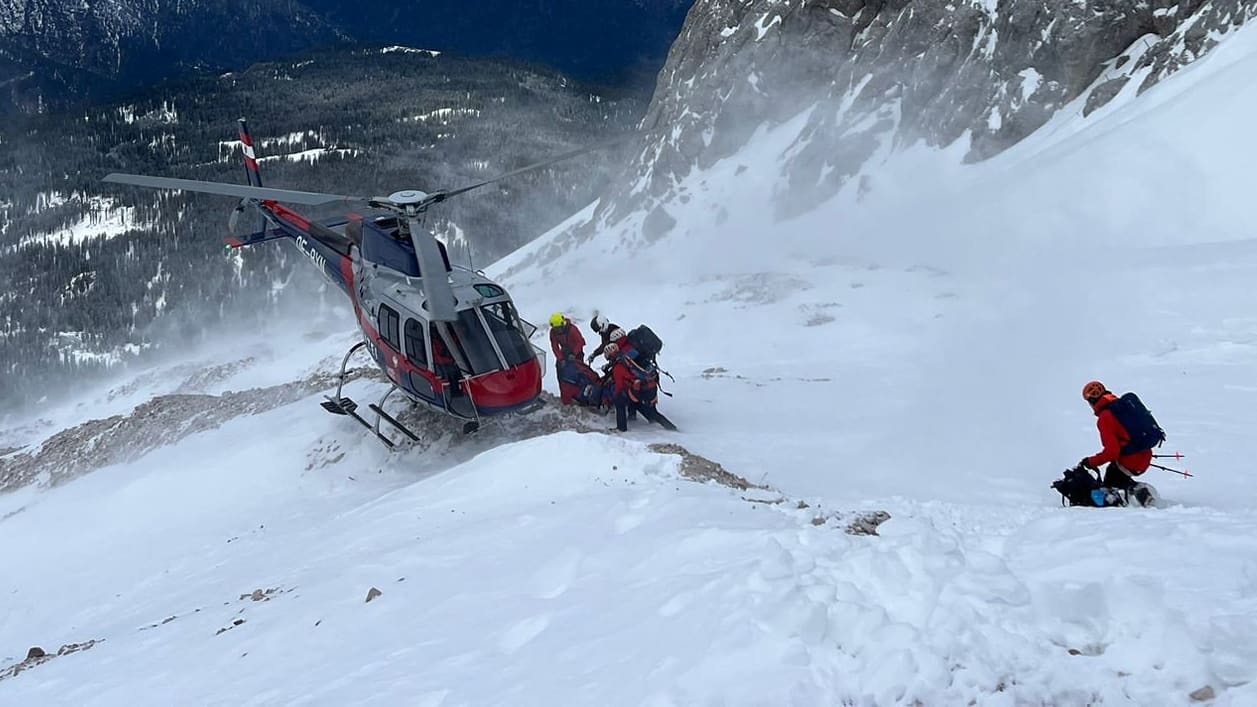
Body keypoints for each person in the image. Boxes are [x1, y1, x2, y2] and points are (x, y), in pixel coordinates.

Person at [1078, 380, 1156, 507]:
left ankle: (1139, 493)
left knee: (1110, 483)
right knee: (1116, 475)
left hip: (1130, 460)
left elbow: (1112, 452)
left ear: (1091, 402)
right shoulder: (1124, 406)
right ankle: (1142, 496)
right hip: (1145, 454)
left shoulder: (1105, 417)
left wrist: (1090, 462)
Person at [607, 342, 677, 433]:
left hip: (640, 389)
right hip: (650, 386)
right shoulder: (628, 357)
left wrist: (615, 395)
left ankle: (621, 428)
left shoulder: (618, 366)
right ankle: (670, 427)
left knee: (619, 400)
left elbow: (620, 386)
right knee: (646, 408)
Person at [549, 312, 586, 404]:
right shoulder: (553, 332)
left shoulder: (572, 330)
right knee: (560, 373)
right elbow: (555, 347)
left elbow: (580, 342)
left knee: (578, 374)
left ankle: (581, 396)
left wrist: (574, 354)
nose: (557, 331)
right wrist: (560, 359)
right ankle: (565, 396)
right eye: (555, 328)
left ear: (562, 325)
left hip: (576, 353)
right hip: (564, 352)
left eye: (558, 328)